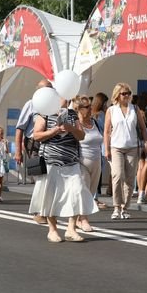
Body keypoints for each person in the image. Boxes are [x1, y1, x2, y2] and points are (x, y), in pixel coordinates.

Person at [28, 97, 95, 242]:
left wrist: (71, 129)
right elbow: (37, 135)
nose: (65, 98)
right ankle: (52, 230)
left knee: (77, 192)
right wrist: (54, 131)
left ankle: (71, 229)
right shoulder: (44, 113)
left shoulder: (71, 114)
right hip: (51, 162)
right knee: (51, 195)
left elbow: (81, 135)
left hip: (71, 162)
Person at [104, 83, 147, 220]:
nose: (127, 96)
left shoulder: (135, 109)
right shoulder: (111, 110)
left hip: (132, 147)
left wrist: (146, 142)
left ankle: (125, 207)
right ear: (117, 95)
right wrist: (107, 148)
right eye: (124, 93)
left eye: (129, 93)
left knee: (129, 179)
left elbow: (142, 127)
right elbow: (106, 131)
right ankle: (117, 206)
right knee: (117, 175)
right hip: (116, 146)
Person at [14, 80, 53, 223]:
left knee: (49, 177)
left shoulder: (55, 104)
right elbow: (20, 128)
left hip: (51, 142)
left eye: (51, 88)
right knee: (40, 177)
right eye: (45, 89)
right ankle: (39, 211)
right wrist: (18, 151)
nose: (49, 91)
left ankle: (46, 210)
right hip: (34, 143)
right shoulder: (31, 104)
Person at [75, 95, 103, 232]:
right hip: (82, 161)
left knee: (91, 192)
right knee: (83, 191)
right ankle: (84, 219)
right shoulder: (76, 124)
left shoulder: (95, 122)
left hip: (97, 161)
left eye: (90, 106)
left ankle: (77, 219)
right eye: (87, 107)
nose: (90, 109)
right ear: (79, 109)